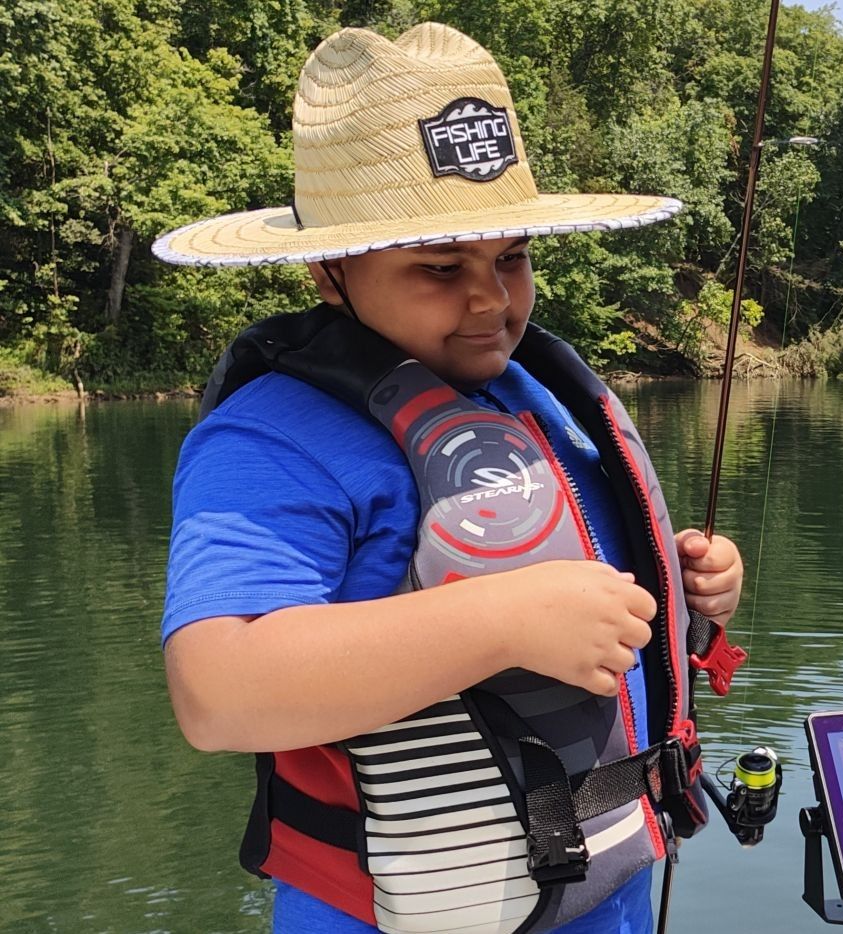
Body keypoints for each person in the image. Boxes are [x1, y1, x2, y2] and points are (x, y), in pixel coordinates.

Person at [153, 23, 748, 934]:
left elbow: (558, 562)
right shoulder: (267, 441)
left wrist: (681, 577)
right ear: (329, 273)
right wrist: (503, 622)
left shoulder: (531, 398)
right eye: (440, 268)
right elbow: (216, 692)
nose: (491, 299)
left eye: (511, 257)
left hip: (609, 884)